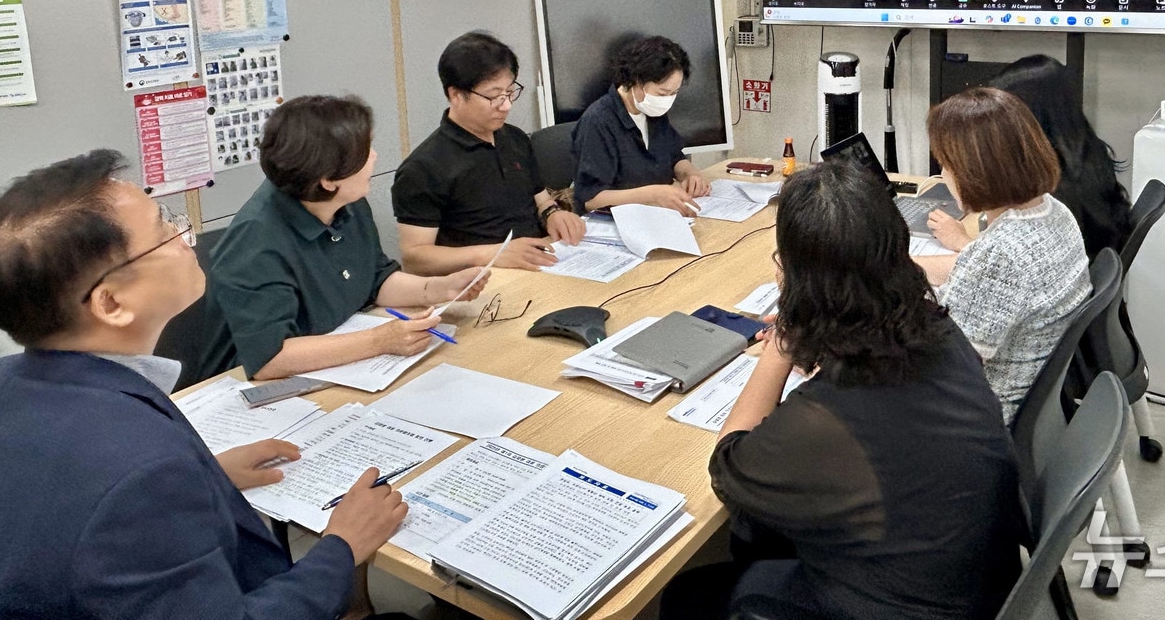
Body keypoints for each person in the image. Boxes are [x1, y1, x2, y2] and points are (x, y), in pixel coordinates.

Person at [0, 151, 407, 619]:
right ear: (111, 302)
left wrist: (204, 476)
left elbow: (60, 507)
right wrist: (341, 547)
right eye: (165, 229)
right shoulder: (141, 471)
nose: (189, 237)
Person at [658, 160, 1021, 620]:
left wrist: (782, 344)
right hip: (977, 580)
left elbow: (729, 466)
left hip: (908, 606)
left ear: (792, 273)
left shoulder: (829, 415)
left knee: (688, 593)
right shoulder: (936, 328)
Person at [201, 95, 490, 381]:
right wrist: (378, 340)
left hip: (334, 369)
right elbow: (270, 358)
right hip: (253, 391)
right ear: (328, 180)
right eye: (365, 152)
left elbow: (375, 279)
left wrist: (438, 288)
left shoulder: (344, 201)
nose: (375, 157)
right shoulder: (255, 241)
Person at [917, 88, 1091, 423]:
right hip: (1035, 403)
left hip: (979, 415)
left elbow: (942, 366)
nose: (943, 175)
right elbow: (976, 274)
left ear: (973, 171)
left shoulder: (1001, 255)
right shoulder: (1053, 212)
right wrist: (894, 269)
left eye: (945, 165)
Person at [393, 31, 586, 274]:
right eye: (494, 96)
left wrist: (553, 214)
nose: (506, 105)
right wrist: (493, 254)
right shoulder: (423, 167)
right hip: (481, 280)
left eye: (509, 92)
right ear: (455, 94)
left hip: (541, 265)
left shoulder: (515, 139)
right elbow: (415, 257)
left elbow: (540, 198)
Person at [987, 55, 1132, 258]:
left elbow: (1023, 260)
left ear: (1032, 114)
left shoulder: (1055, 183)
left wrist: (963, 241)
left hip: (1061, 274)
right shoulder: (1085, 148)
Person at [572, 35, 712, 216]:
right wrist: (654, 194)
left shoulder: (653, 111)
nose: (666, 100)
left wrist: (691, 174)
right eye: (662, 93)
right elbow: (591, 199)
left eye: (673, 93)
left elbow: (674, 156)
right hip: (614, 222)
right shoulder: (598, 121)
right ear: (635, 81)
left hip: (658, 214)